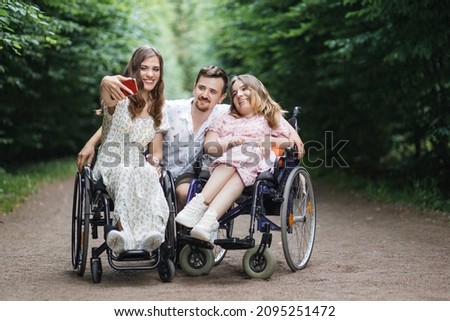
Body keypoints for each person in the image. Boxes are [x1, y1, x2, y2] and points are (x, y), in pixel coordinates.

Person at [77, 66, 230, 210]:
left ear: (222, 97)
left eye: (212, 91)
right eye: (201, 88)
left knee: (187, 193)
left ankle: (183, 232)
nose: (205, 95)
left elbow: (251, 112)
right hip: (157, 167)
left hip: (187, 176)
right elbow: (125, 118)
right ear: (194, 86)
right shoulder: (170, 108)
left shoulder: (224, 114)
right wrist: (91, 143)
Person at [175, 74, 301, 243]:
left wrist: (270, 141)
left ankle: (199, 204)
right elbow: (209, 146)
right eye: (234, 93)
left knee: (244, 152)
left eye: (244, 89)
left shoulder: (270, 116)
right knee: (238, 167)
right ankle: (209, 221)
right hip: (231, 164)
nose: (239, 95)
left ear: (257, 90)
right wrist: (228, 142)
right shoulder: (225, 119)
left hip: (260, 160)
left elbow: (294, 144)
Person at [91, 45, 170, 255]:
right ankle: (122, 232)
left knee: (146, 172)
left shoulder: (159, 107)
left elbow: (155, 151)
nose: (150, 74)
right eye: (144, 68)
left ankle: (149, 234)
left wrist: (155, 163)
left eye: (155, 69)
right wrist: (105, 80)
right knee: (127, 170)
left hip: (138, 161)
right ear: (135, 69)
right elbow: (106, 90)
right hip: (110, 160)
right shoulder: (119, 97)